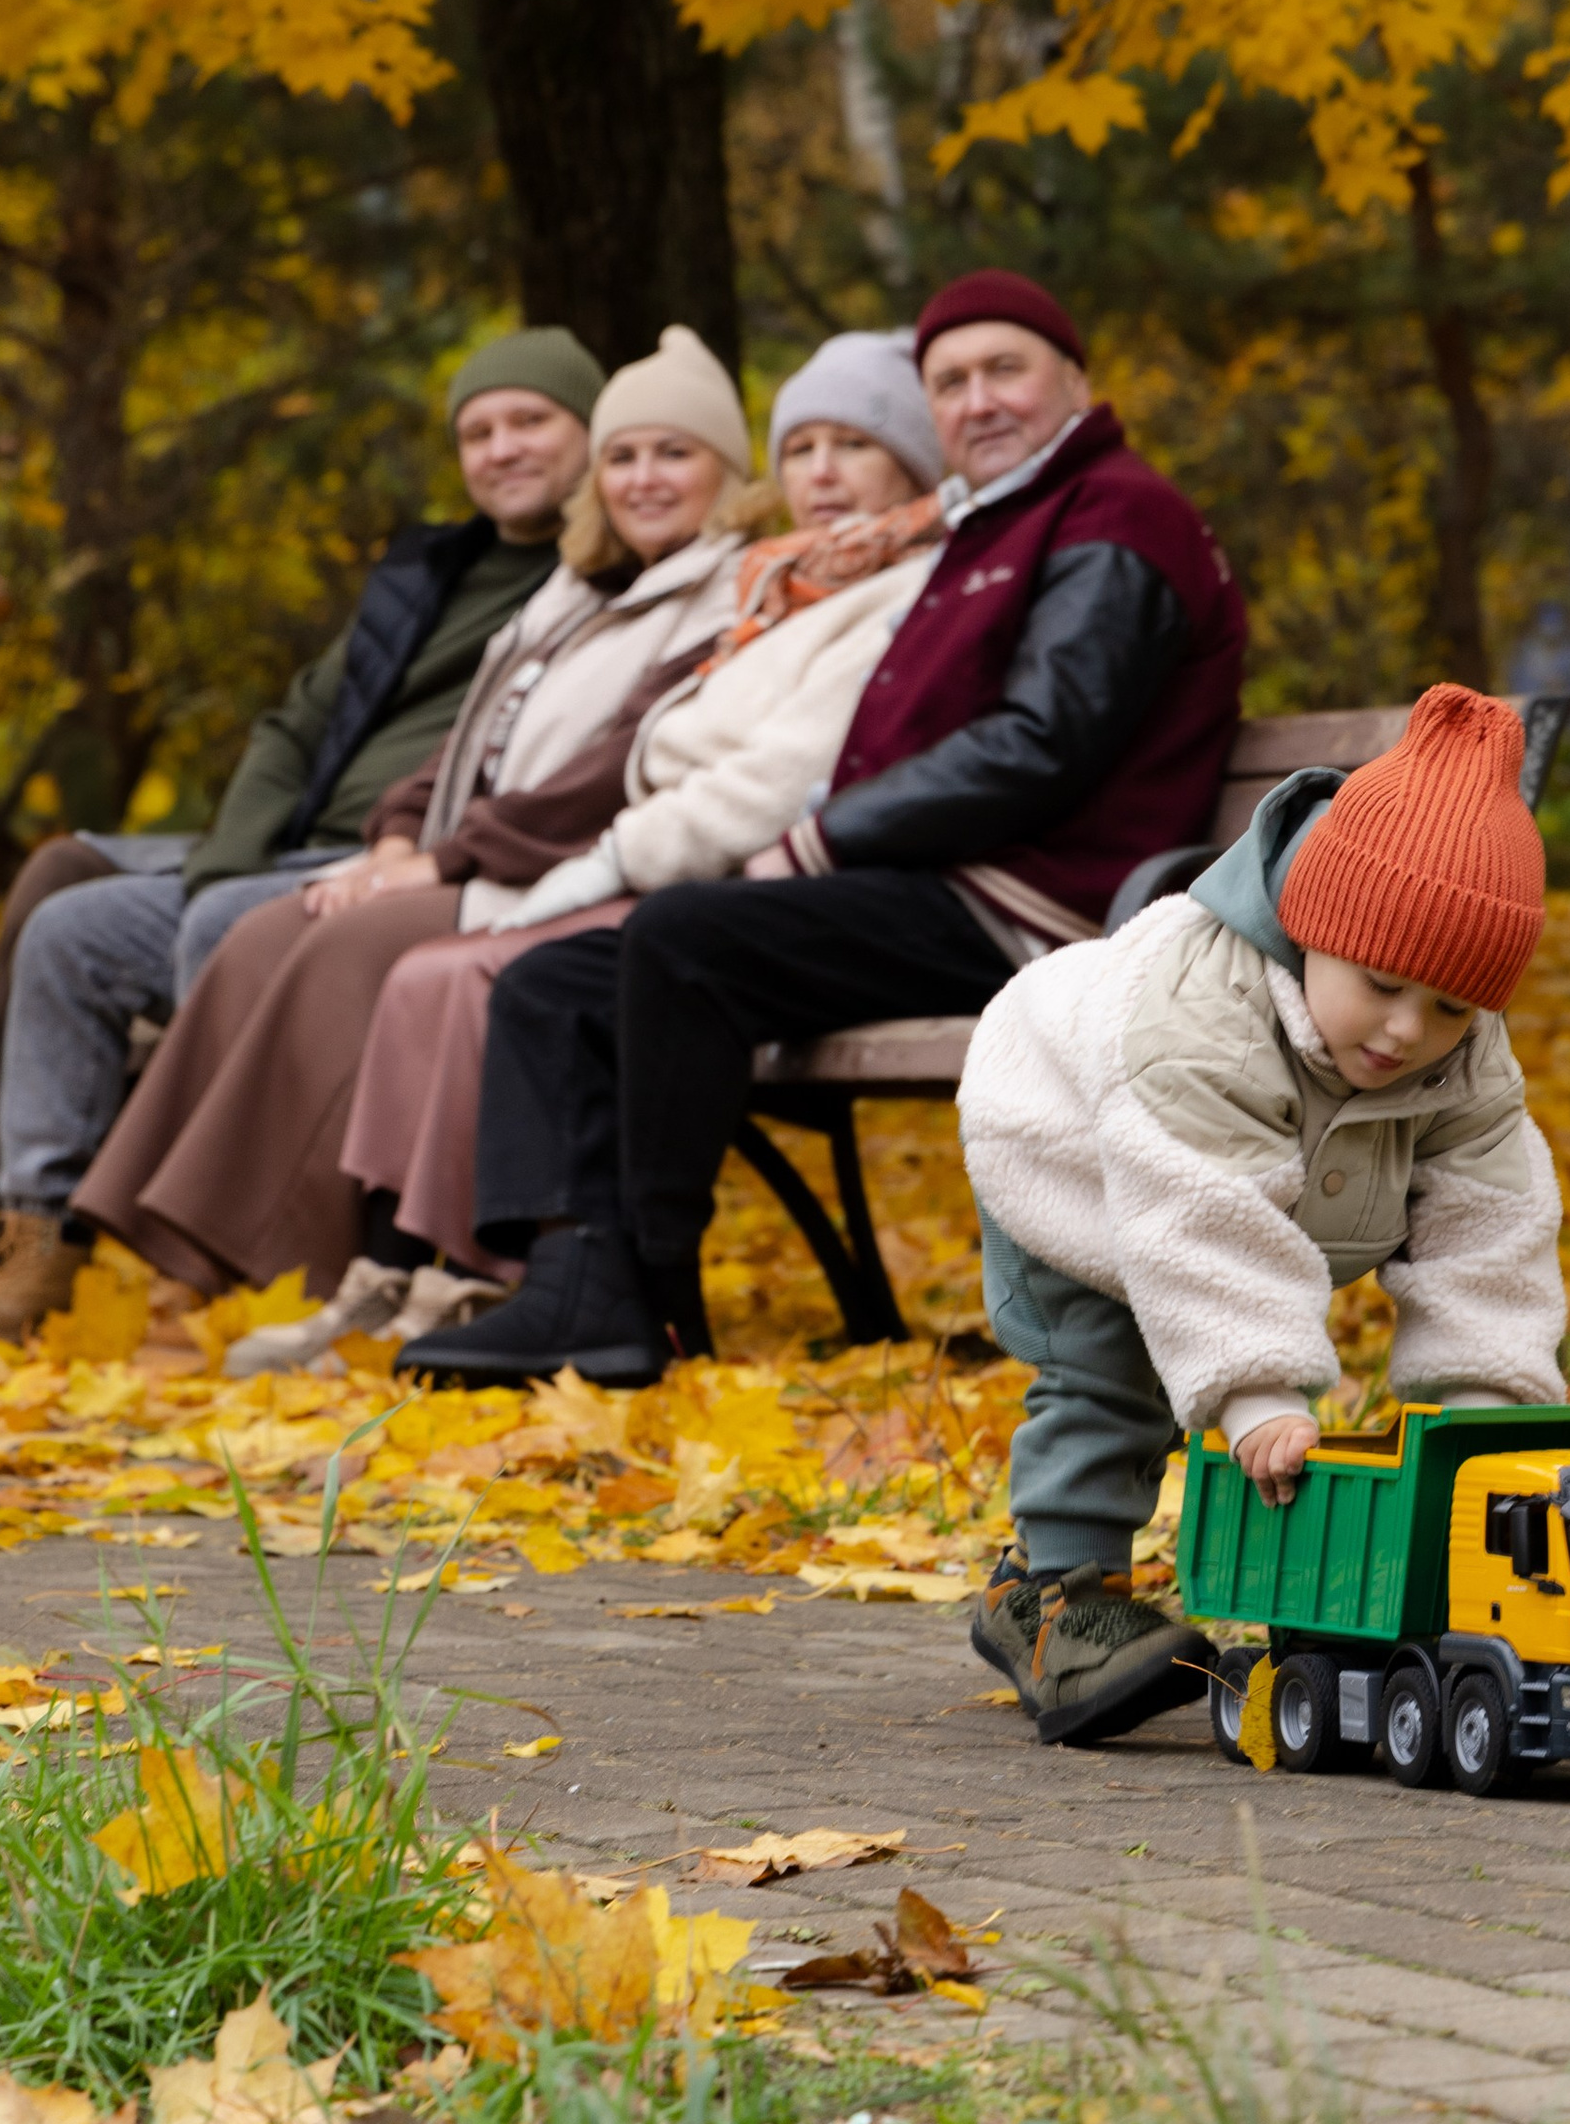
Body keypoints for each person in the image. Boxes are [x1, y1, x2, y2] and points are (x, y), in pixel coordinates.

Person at [399, 266, 1249, 1391]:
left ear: (1073, 381)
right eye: (951, 381)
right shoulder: (996, 526)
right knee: (551, 985)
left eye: (1006, 369)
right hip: (944, 882)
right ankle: (571, 1281)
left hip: (1040, 907)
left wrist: (820, 839)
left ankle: (648, 1295)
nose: (978, 399)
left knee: (686, 940)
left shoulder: (1117, 514)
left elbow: (1042, 743)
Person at [70, 325, 773, 1317]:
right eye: (623, 457)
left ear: (729, 471)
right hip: (491, 863)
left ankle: (274, 1265)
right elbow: (463, 747)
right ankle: (181, 1252)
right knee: (269, 927)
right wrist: (399, 837)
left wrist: (440, 862)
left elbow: (610, 770)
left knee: (344, 951)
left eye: (674, 454)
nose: (643, 479)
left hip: (582, 876)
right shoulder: (573, 594)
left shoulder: (728, 594)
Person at [0, 331, 601, 1347]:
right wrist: (226, 865)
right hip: (294, 853)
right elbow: (295, 724)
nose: (501, 448)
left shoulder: (595, 580)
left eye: (529, 422)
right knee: (69, 928)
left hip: (411, 871)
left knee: (223, 929)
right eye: (477, 430)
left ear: (590, 434)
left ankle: (219, 1254)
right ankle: (39, 1236)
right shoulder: (424, 571)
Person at [951, 682, 1566, 1746]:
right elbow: (1203, 1210)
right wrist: (1257, 1395)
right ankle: (1054, 1599)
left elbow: (1490, 1218)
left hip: (1264, 1180)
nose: (1408, 1031)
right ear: (1310, 928)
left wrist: (1485, 1405)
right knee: (1112, 1371)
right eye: (1380, 985)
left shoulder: (1461, 1050)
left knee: (1457, 1203)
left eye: (1451, 1007)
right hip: (1075, 1153)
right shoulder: (1202, 1019)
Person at [313, 330, 948, 1334]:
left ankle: (495, 1273)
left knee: (480, 971)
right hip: (667, 863)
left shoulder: (904, 588)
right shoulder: (783, 584)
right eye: (801, 448)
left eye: (853, 445)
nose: (821, 472)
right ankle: (401, 1265)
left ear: (913, 460)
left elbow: (774, 781)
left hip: (733, 886)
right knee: (435, 966)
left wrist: (586, 866)